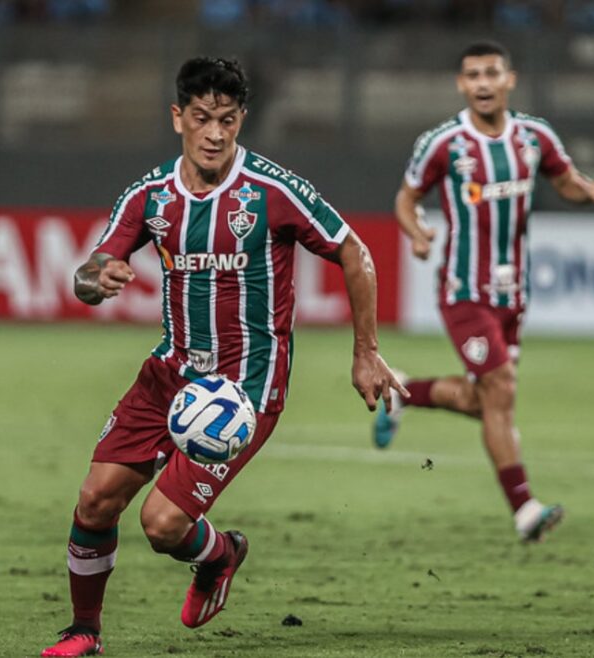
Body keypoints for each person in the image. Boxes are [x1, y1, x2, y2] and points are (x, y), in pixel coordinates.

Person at [41, 56, 406, 657]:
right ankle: (85, 631)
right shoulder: (150, 196)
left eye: (229, 120)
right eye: (204, 118)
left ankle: (220, 555)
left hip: (244, 389)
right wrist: (94, 279)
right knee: (94, 499)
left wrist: (365, 351)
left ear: (242, 122)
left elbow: (355, 252)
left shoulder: (271, 190)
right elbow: (88, 271)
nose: (215, 133)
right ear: (177, 117)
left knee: (161, 526)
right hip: (170, 372)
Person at [373, 41, 594, 542]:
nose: (482, 83)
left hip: (513, 295)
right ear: (461, 85)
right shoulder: (443, 143)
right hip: (464, 292)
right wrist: (417, 233)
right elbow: (406, 198)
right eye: (472, 75)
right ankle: (525, 508)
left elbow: (565, 181)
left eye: (491, 73)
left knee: (483, 399)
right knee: (501, 390)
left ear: (510, 79)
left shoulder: (534, 137)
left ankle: (402, 391)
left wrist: (588, 191)